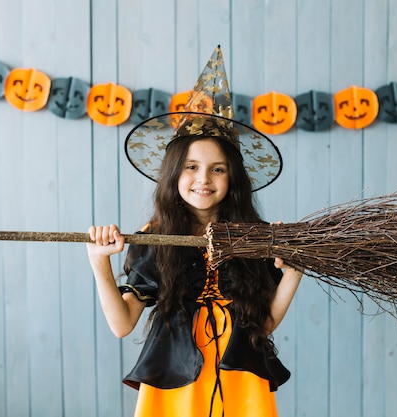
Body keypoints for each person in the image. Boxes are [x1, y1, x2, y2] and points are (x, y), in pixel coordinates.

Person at [86, 46, 303, 417]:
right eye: (191, 167)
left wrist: (294, 273)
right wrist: (99, 263)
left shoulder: (254, 236)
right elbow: (122, 325)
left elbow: (263, 324)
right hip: (175, 381)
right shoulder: (154, 237)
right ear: (174, 174)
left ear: (232, 177)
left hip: (241, 378)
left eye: (217, 169)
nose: (203, 179)